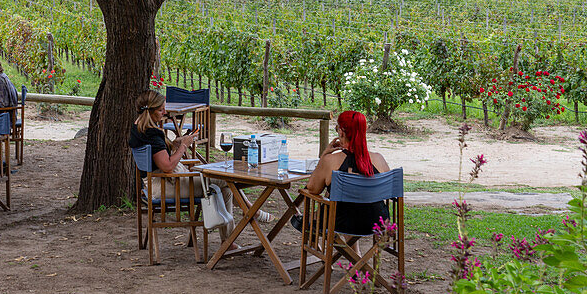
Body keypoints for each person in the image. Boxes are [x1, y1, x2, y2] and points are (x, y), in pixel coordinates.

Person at [128, 90, 267, 241]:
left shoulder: (137, 129)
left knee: (226, 190)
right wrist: (184, 146)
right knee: (224, 179)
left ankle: (229, 242)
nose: (165, 112)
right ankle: (252, 210)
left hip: (155, 182)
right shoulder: (152, 133)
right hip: (166, 185)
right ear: (150, 111)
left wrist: (174, 144)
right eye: (161, 109)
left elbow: (157, 156)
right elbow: (167, 166)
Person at [296, 110, 391, 235]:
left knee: (300, 220)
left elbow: (312, 189)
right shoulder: (379, 159)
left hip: (339, 223)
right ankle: (354, 253)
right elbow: (389, 191)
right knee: (351, 206)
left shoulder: (330, 161)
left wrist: (324, 155)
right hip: (377, 222)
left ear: (341, 132)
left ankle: (324, 253)